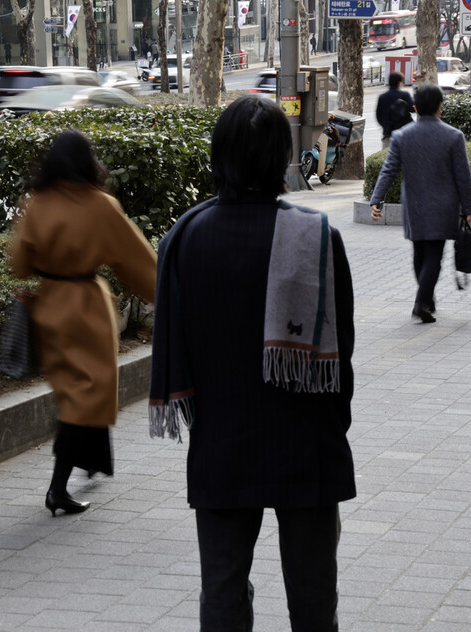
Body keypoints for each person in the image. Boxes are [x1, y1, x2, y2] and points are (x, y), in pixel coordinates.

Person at [149, 95, 356, 631]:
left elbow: (182, 347)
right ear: (278, 159)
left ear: (219, 157)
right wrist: (336, 424)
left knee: (222, 588)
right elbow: (342, 354)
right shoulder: (317, 237)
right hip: (306, 441)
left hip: (222, 441)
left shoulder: (185, 240)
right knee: (313, 596)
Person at [10, 130, 156, 515]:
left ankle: (92, 462)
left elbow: (19, 264)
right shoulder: (101, 206)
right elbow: (137, 261)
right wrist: (173, 295)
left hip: (50, 307)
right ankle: (58, 489)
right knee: (86, 395)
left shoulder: (37, 203)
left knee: (75, 395)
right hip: (86, 311)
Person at [369, 84, 471, 324]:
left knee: (419, 253)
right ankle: (422, 302)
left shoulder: (401, 136)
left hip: (414, 205)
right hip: (444, 206)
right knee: (434, 256)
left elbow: (388, 171)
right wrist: (468, 207)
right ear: (440, 107)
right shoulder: (453, 136)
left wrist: (377, 199)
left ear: (415, 108)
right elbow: (463, 176)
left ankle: (427, 299)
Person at [375, 71, 415, 150]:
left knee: (387, 157)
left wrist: (385, 126)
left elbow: (378, 116)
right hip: (404, 132)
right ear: (399, 82)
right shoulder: (404, 95)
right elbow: (413, 109)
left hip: (389, 133)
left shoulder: (382, 97)